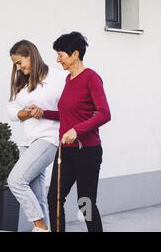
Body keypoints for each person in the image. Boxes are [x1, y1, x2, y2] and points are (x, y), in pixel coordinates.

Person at [31, 32, 111, 232]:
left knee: (86, 203)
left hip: (87, 151)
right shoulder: (69, 80)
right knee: (54, 198)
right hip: (66, 151)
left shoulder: (91, 78)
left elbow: (104, 114)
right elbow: (68, 114)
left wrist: (77, 130)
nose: (58, 60)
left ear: (75, 54)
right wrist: (44, 113)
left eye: (61, 55)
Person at [6, 40, 65, 232]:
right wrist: (27, 112)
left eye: (19, 62)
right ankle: (45, 227)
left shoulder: (58, 77)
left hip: (48, 138)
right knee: (37, 195)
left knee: (15, 180)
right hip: (28, 141)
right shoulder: (22, 82)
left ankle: (39, 226)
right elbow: (12, 111)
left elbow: (69, 107)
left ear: (30, 55)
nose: (18, 67)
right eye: (15, 64)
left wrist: (44, 112)